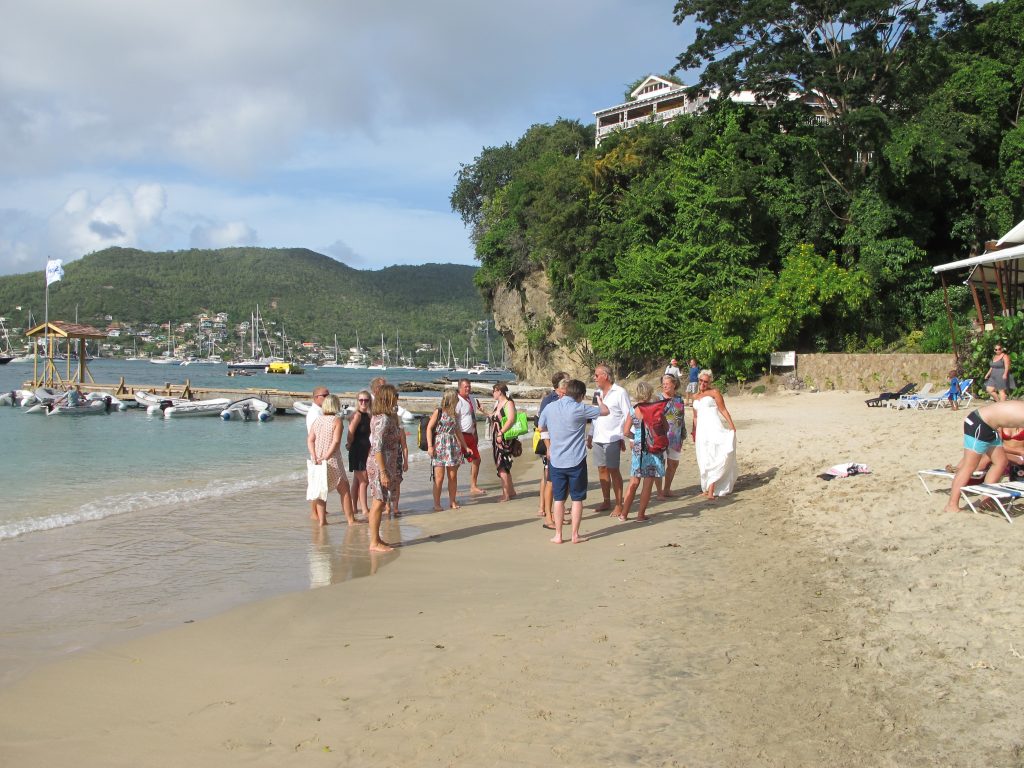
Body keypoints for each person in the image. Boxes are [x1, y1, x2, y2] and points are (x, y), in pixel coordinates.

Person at [539, 378, 609, 544]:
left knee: (559, 499)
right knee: (577, 499)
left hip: (556, 459)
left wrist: (551, 443)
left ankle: (558, 535)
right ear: (581, 395)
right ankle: (575, 535)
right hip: (576, 460)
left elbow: (541, 427)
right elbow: (605, 411)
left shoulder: (550, 407)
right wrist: (600, 401)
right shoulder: (580, 408)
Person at [943, 402, 1024, 513]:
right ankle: (951, 505)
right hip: (980, 423)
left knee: (1001, 462)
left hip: (991, 427)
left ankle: (986, 500)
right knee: (969, 466)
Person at [588, 364, 632, 517]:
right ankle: (606, 500)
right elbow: (594, 414)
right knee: (601, 468)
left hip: (613, 436)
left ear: (605, 376)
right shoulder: (597, 393)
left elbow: (629, 414)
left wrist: (627, 436)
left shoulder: (620, 392)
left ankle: (619, 504)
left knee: (614, 470)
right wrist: (590, 434)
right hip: (598, 436)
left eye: (596, 375)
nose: (594, 378)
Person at [306, 395, 356, 526]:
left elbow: (310, 439)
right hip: (332, 459)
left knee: (321, 490)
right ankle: (351, 520)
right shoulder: (336, 420)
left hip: (317, 459)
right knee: (344, 489)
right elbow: (336, 441)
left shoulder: (317, 420)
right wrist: (327, 456)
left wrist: (314, 455)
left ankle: (322, 521)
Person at [620, 381, 666, 522]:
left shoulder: (633, 410)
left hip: (638, 446)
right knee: (648, 481)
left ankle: (624, 514)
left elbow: (626, 431)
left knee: (634, 481)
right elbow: (666, 428)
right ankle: (640, 515)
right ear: (649, 393)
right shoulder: (655, 409)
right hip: (652, 447)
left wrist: (636, 437)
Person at [367, 384, 403, 551]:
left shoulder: (385, 416)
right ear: (388, 398)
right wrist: (383, 472)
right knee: (378, 502)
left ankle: (377, 539)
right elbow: (377, 448)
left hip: (386, 464)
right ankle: (374, 542)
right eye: (395, 395)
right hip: (380, 465)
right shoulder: (383, 419)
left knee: (381, 502)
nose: (397, 398)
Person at [691, 369, 737, 499]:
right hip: (701, 431)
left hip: (713, 427)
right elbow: (695, 416)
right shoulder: (695, 396)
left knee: (713, 455)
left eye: (706, 381)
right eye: (701, 380)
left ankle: (711, 490)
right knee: (703, 457)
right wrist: (694, 431)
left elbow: (723, 409)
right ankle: (706, 488)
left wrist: (732, 425)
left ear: (710, 381)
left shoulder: (714, 393)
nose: (703, 383)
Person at [427, 389, 470, 511]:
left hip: (452, 446)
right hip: (440, 445)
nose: (458, 400)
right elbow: (429, 428)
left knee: (452, 477)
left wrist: (466, 446)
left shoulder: (455, 414)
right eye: (456, 398)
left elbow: (458, 431)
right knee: (439, 478)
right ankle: (437, 503)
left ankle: (452, 501)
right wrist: (430, 446)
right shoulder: (438, 411)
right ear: (451, 399)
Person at [537, 372, 568, 528]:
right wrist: (548, 447)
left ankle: (557, 513)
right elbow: (542, 426)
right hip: (551, 445)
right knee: (549, 479)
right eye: (564, 391)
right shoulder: (548, 400)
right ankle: (547, 514)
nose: (565, 394)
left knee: (562, 482)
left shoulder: (568, 400)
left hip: (565, 446)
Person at [456, 379, 486, 495]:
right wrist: (457, 439)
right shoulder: (457, 401)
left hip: (471, 434)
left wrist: (476, 433)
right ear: (460, 388)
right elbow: (455, 420)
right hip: (461, 435)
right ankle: (454, 487)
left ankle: (473, 485)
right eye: (465, 387)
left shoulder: (471, 399)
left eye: (469, 386)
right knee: (456, 463)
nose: (468, 389)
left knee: (477, 460)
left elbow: (473, 417)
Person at [658, 373, 686, 497]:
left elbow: (681, 417)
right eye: (663, 384)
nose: (665, 386)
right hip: (661, 436)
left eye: (667, 384)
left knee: (673, 463)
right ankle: (659, 492)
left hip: (676, 436)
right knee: (660, 463)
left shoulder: (679, 399)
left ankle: (667, 489)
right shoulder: (658, 399)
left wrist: (683, 433)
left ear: (674, 384)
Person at [346, 390, 372, 517]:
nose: (363, 402)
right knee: (364, 481)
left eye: (366, 400)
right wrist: (349, 444)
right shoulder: (357, 415)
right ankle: (364, 509)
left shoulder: (368, 415)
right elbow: (350, 433)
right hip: (357, 450)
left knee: (357, 480)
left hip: (365, 450)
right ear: (357, 401)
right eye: (361, 400)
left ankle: (354, 507)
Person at [490, 382, 518, 502]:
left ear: (499, 391)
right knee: (504, 466)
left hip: (504, 438)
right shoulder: (499, 403)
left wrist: (501, 432)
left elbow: (511, 420)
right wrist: (484, 412)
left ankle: (505, 494)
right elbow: (495, 417)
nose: (493, 393)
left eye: (494, 391)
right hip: (497, 437)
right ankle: (511, 492)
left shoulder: (508, 403)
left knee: (502, 466)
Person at [305, 385, 330, 522]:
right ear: (316, 398)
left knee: (321, 482)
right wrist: (314, 454)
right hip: (317, 451)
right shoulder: (314, 413)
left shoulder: (321, 411)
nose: (327, 398)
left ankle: (321, 510)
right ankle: (314, 512)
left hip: (322, 451)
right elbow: (312, 436)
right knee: (317, 483)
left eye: (328, 395)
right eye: (324, 396)